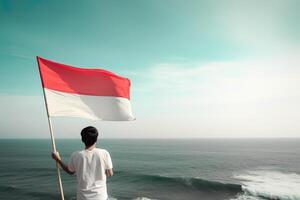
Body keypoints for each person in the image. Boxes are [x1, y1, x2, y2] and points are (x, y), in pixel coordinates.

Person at [51, 126, 113, 200]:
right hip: (101, 197)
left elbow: (70, 171)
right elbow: (110, 174)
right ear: (96, 139)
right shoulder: (104, 153)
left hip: (83, 197)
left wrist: (58, 159)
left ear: (82, 139)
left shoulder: (76, 155)